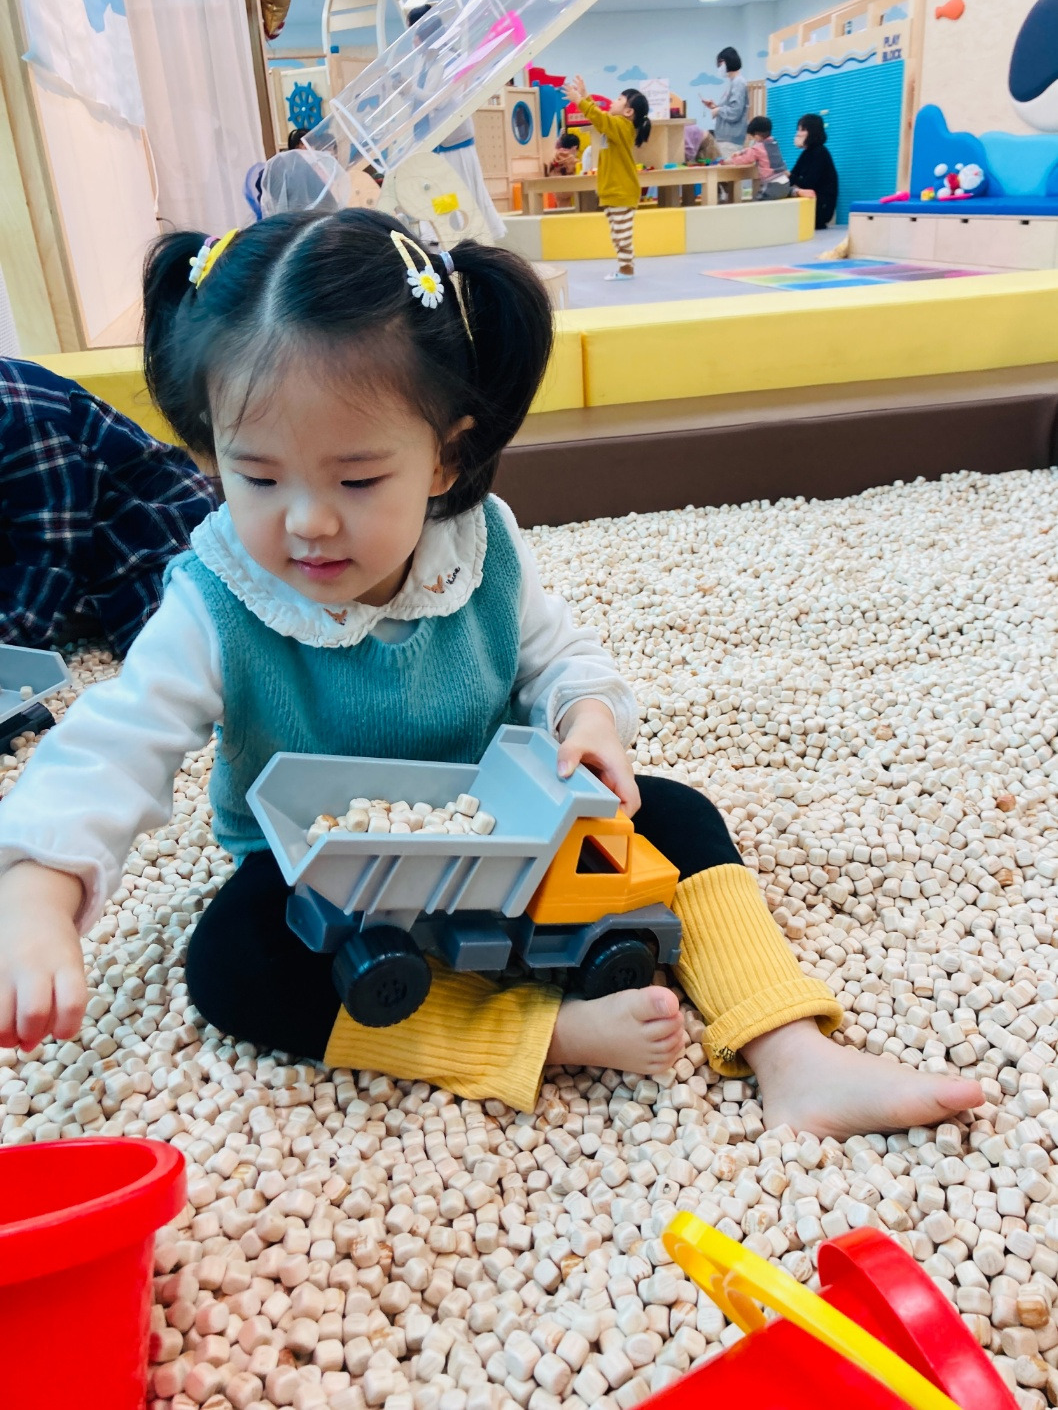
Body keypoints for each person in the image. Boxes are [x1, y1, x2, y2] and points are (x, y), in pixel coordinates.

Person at [0, 208, 984, 1138]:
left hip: (504, 834)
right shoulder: (221, 597)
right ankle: (542, 1033)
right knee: (230, 960)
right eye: (256, 477)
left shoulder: (478, 550)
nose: (306, 520)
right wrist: (39, 885)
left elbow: (562, 658)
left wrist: (587, 720)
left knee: (677, 815)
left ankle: (791, 1049)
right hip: (329, 878)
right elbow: (119, 737)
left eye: (356, 479)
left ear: (443, 459)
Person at [0, 357, 214, 657]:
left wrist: (11, 639)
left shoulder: (22, 421)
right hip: (53, 517)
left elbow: (50, 557)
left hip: (141, 529)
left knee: (173, 645)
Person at [406, 4, 506, 242]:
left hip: (454, 140)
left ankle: (472, 236)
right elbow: (421, 98)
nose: (413, 41)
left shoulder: (449, 60)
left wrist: (411, 90)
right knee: (439, 191)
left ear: (425, 33)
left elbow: (441, 100)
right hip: (433, 140)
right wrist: (406, 91)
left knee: (463, 191)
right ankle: (443, 234)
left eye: (415, 33)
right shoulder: (423, 61)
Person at [564, 77, 650, 282]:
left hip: (621, 190)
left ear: (628, 112)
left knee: (622, 235)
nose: (613, 101)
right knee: (617, 234)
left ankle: (626, 269)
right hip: (613, 190)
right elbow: (600, 118)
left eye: (619, 99)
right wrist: (585, 96)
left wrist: (580, 101)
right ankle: (625, 267)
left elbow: (599, 118)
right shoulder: (616, 126)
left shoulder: (622, 126)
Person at [791, 113, 839, 229]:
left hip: (821, 208)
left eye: (802, 130)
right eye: (798, 130)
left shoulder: (820, 153)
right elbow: (794, 176)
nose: (798, 134)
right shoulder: (806, 154)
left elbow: (807, 184)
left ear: (812, 132)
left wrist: (788, 175)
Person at [726, 115, 791, 200]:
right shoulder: (774, 142)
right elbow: (752, 150)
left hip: (773, 185)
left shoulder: (758, 148)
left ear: (756, 136)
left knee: (757, 203)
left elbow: (746, 159)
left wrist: (730, 161)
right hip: (785, 182)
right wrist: (740, 152)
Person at [702, 47, 748, 155]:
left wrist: (718, 110)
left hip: (730, 140)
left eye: (720, 63)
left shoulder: (738, 83)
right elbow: (730, 107)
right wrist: (715, 107)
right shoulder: (733, 83)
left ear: (727, 61)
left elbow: (735, 112)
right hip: (726, 139)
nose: (719, 67)